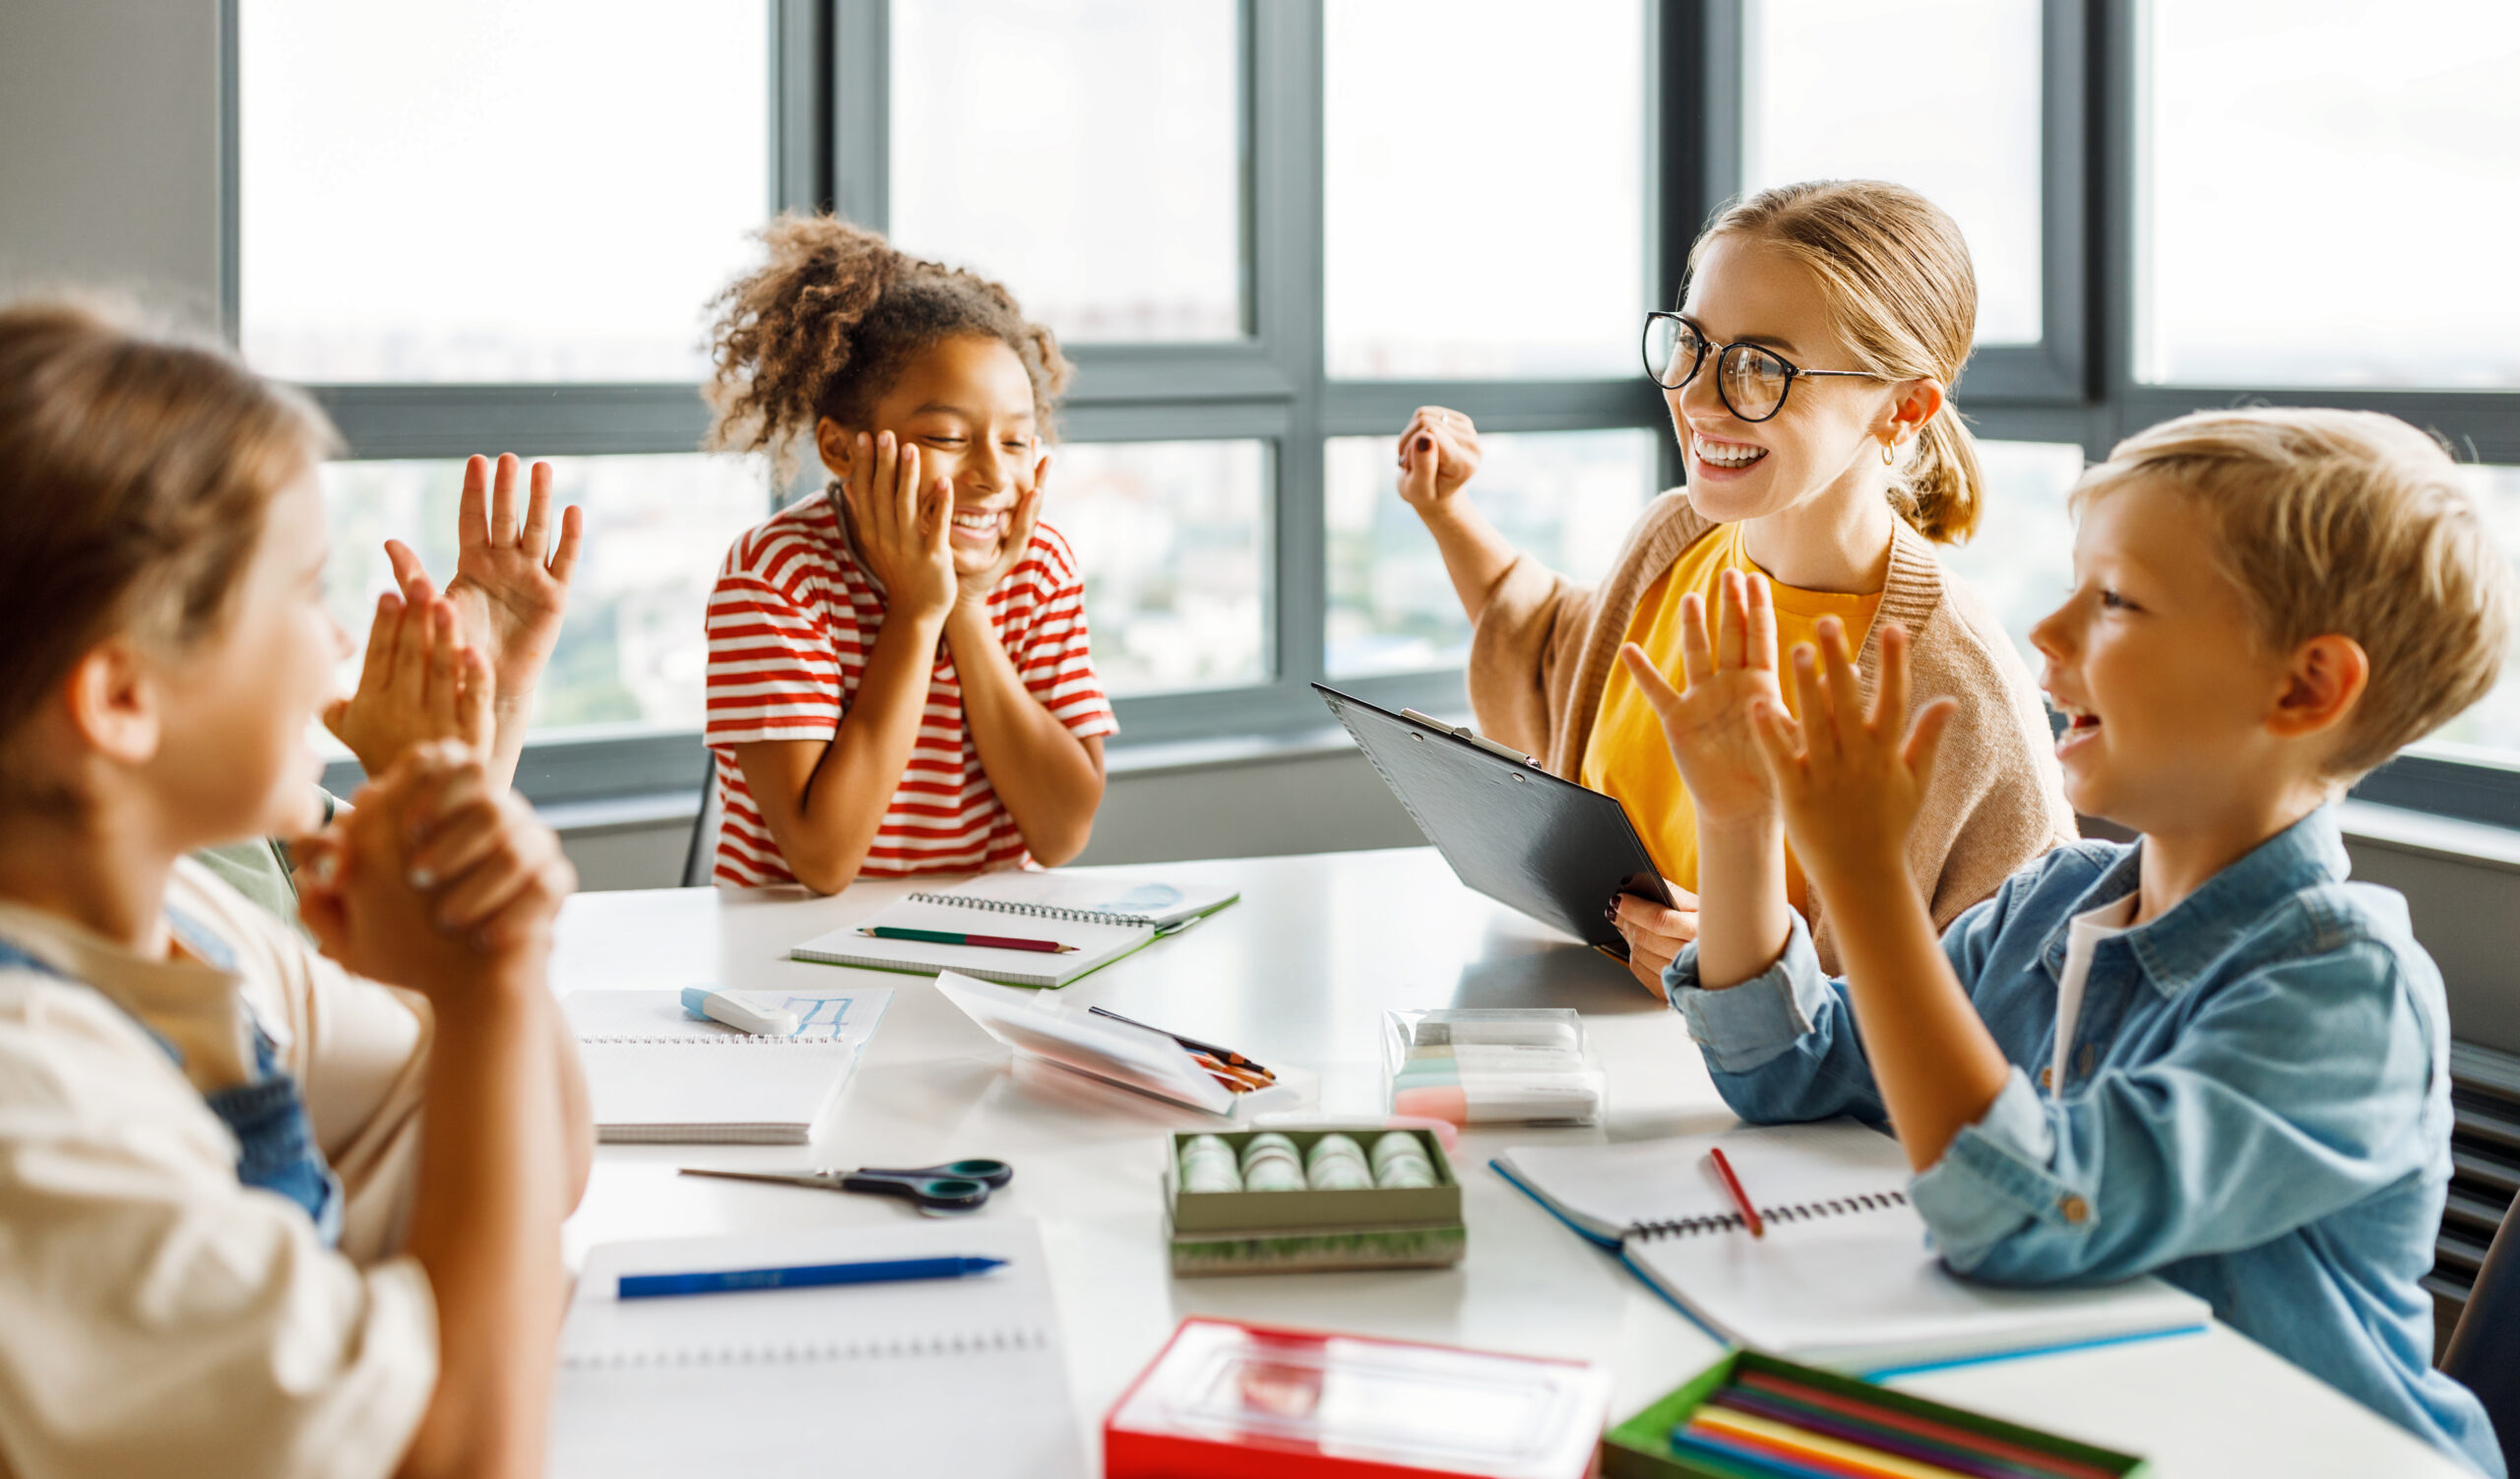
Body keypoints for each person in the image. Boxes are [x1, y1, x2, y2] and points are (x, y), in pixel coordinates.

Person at [1636, 408, 2509, 1474]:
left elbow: (2023, 1214)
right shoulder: (2047, 904)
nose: (2044, 635)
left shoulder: (2344, 995)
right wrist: (1740, 823)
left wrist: (1866, 883)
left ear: (2304, 687)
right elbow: (1787, 1066)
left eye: (2113, 602)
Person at [0, 297, 593, 1479]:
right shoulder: (36, 1108)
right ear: (122, 697)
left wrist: (480, 922)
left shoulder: (187, 927)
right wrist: (484, 984)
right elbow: (467, 1454)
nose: (336, 644)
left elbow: (541, 1158)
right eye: (300, 592)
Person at [1395, 180, 2073, 990]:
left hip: (1768, 1118)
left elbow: (2014, 1005)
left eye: (1760, 367)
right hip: (1594, 1060)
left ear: (1905, 407)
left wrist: (1753, 970)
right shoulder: (1675, 539)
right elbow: (1551, 652)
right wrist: (1444, 511)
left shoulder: (1957, 697)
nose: (1698, 398)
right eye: (1692, 344)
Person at [699, 214, 1114, 891]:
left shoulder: (1036, 563)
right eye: (949, 440)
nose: (994, 476)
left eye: (1015, 441)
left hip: (984, 943)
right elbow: (824, 862)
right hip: (796, 960)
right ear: (840, 448)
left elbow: (1062, 833)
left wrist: (968, 607)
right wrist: (919, 612)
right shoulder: (776, 578)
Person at [192, 452, 584, 924]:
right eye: (306, 594)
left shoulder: (246, 805)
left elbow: (419, 885)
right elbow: (422, 936)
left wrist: (494, 698)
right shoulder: (196, 899)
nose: (342, 641)